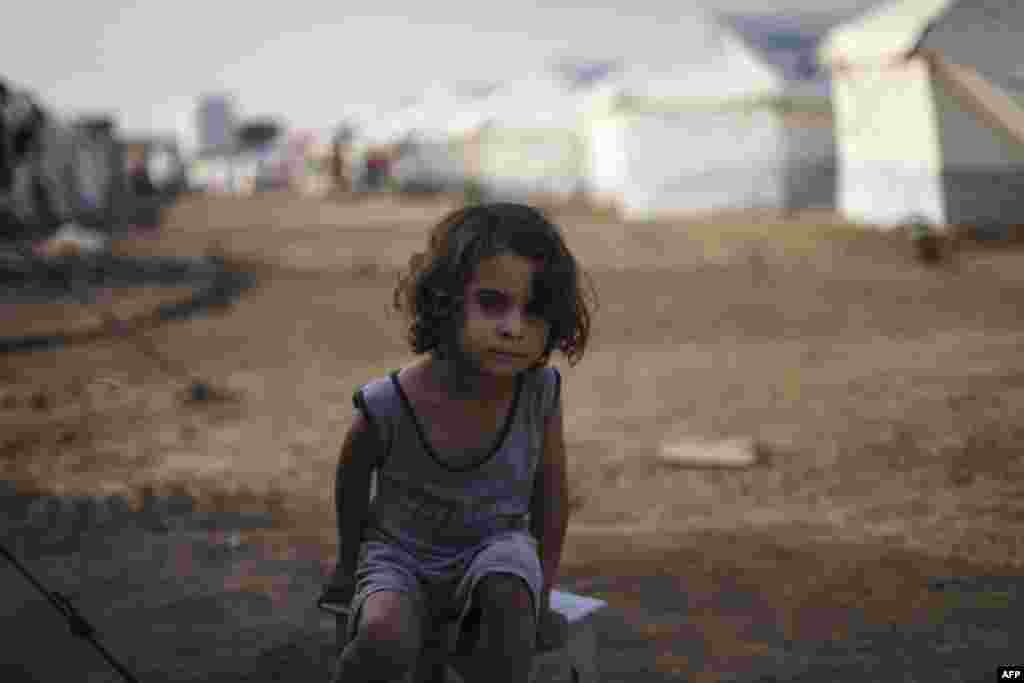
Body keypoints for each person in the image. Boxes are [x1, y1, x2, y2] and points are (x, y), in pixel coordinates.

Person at [322, 203, 594, 682]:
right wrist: (348, 565)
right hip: (400, 555)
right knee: (384, 638)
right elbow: (351, 471)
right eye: (492, 302)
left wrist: (542, 591)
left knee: (510, 602)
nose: (513, 327)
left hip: (496, 546)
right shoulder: (391, 401)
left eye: (534, 311)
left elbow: (551, 497)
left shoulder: (538, 394)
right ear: (447, 300)